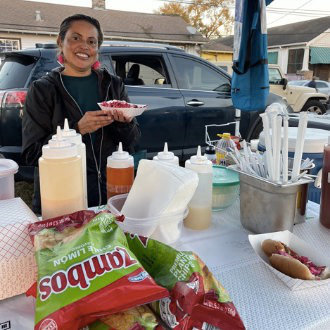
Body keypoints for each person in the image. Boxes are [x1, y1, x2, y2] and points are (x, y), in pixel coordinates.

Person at [22, 14, 141, 212]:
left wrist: (124, 123)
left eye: (91, 41)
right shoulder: (43, 90)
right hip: (64, 198)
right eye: (76, 38)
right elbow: (31, 154)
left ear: (97, 49)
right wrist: (76, 130)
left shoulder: (113, 84)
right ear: (61, 42)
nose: (84, 46)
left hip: (110, 195)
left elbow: (133, 142)